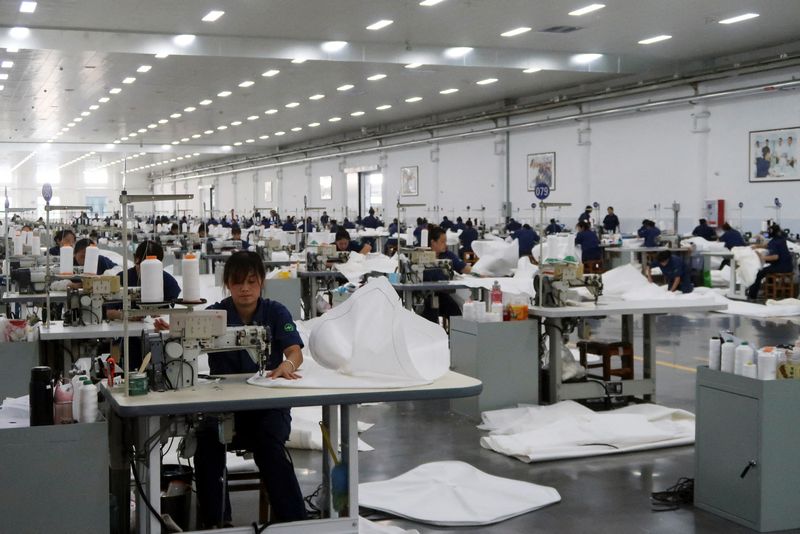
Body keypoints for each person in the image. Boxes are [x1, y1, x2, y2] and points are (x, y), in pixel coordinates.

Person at [192, 251, 306, 528]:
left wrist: (288, 364)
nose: (245, 288)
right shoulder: (213, 316)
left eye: (252, 282)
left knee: (269, 445)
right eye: (238, 282)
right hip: (223, 407)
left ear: (262, 282)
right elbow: (188, 341)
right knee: (206, 446)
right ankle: (217, 523)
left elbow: (294, 350)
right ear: (227, 284)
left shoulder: (276, 312)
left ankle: (295, 524)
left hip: (268, 406)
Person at [106, 241, 182, 368]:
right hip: (131, 338)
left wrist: (158, 314)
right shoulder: (122, 279)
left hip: (158, 335)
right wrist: (127, 316)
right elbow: (109, 312)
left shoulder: (169, 282)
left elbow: (171, 312)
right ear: (136, 260)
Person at [423, 226, 470, 324]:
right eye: (442, 242)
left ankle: (455, 337)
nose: (445, 245)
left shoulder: (447, 255)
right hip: (424, 295)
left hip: (442, 295)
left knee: (456, 313)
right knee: (431, 314)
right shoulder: (421, 255)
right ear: (433, 242)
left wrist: (481, 273)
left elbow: (464, 268)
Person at [747, 224, 793, 300]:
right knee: (768, 270)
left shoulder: (775, 242)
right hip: (788, 266)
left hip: (781, 267)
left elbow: (775, 257)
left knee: (760, 273)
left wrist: (762, 257)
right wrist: (757, 246)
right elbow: (768, 245)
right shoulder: (781, 238)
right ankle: (770, 290)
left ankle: (752, 295)